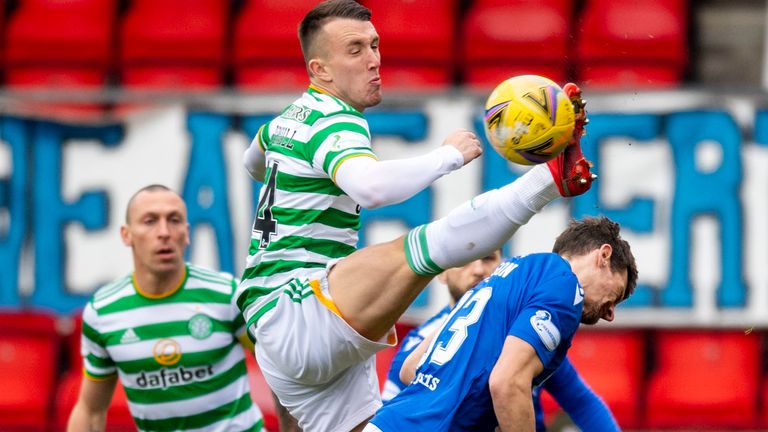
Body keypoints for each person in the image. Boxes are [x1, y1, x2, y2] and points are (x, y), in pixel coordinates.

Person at [235, 0, 595, 430]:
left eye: (374, 45)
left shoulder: (284, 122)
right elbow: (370, 188)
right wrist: (447, 155)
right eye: (355, 50)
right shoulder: (335, 119)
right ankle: (549, 180)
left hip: (280, 329)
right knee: (428, 248)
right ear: (321, 70)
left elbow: (251, 163)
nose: (373, 60)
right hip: (297, 309)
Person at [365, 216, 637, 432]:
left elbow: (411, 368)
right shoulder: (566, 287)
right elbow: (507, 383)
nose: (610, 313)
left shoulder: (505, 277)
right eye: (618, 293)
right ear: (603, 256)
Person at [68, 185, 264, 432]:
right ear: (126, 235)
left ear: (187, 232)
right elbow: (90, 411)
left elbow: (287, 371)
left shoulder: (228, 295)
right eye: (150, 221)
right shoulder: (103, 313)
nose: (164, 232)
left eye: (174, 220)